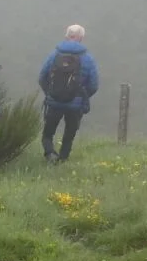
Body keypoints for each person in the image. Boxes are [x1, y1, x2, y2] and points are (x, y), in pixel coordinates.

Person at [38, 25, 100, 164]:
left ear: (66, 36)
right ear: (81, 38)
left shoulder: (54, 55)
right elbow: (94, 84)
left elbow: (42, 77)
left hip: (54, 101)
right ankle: (63, 159)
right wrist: (82, 96)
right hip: (75, 104)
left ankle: (50, 154)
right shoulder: (87, 58)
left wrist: (50, 93)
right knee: (69, 134)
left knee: (48, 134)